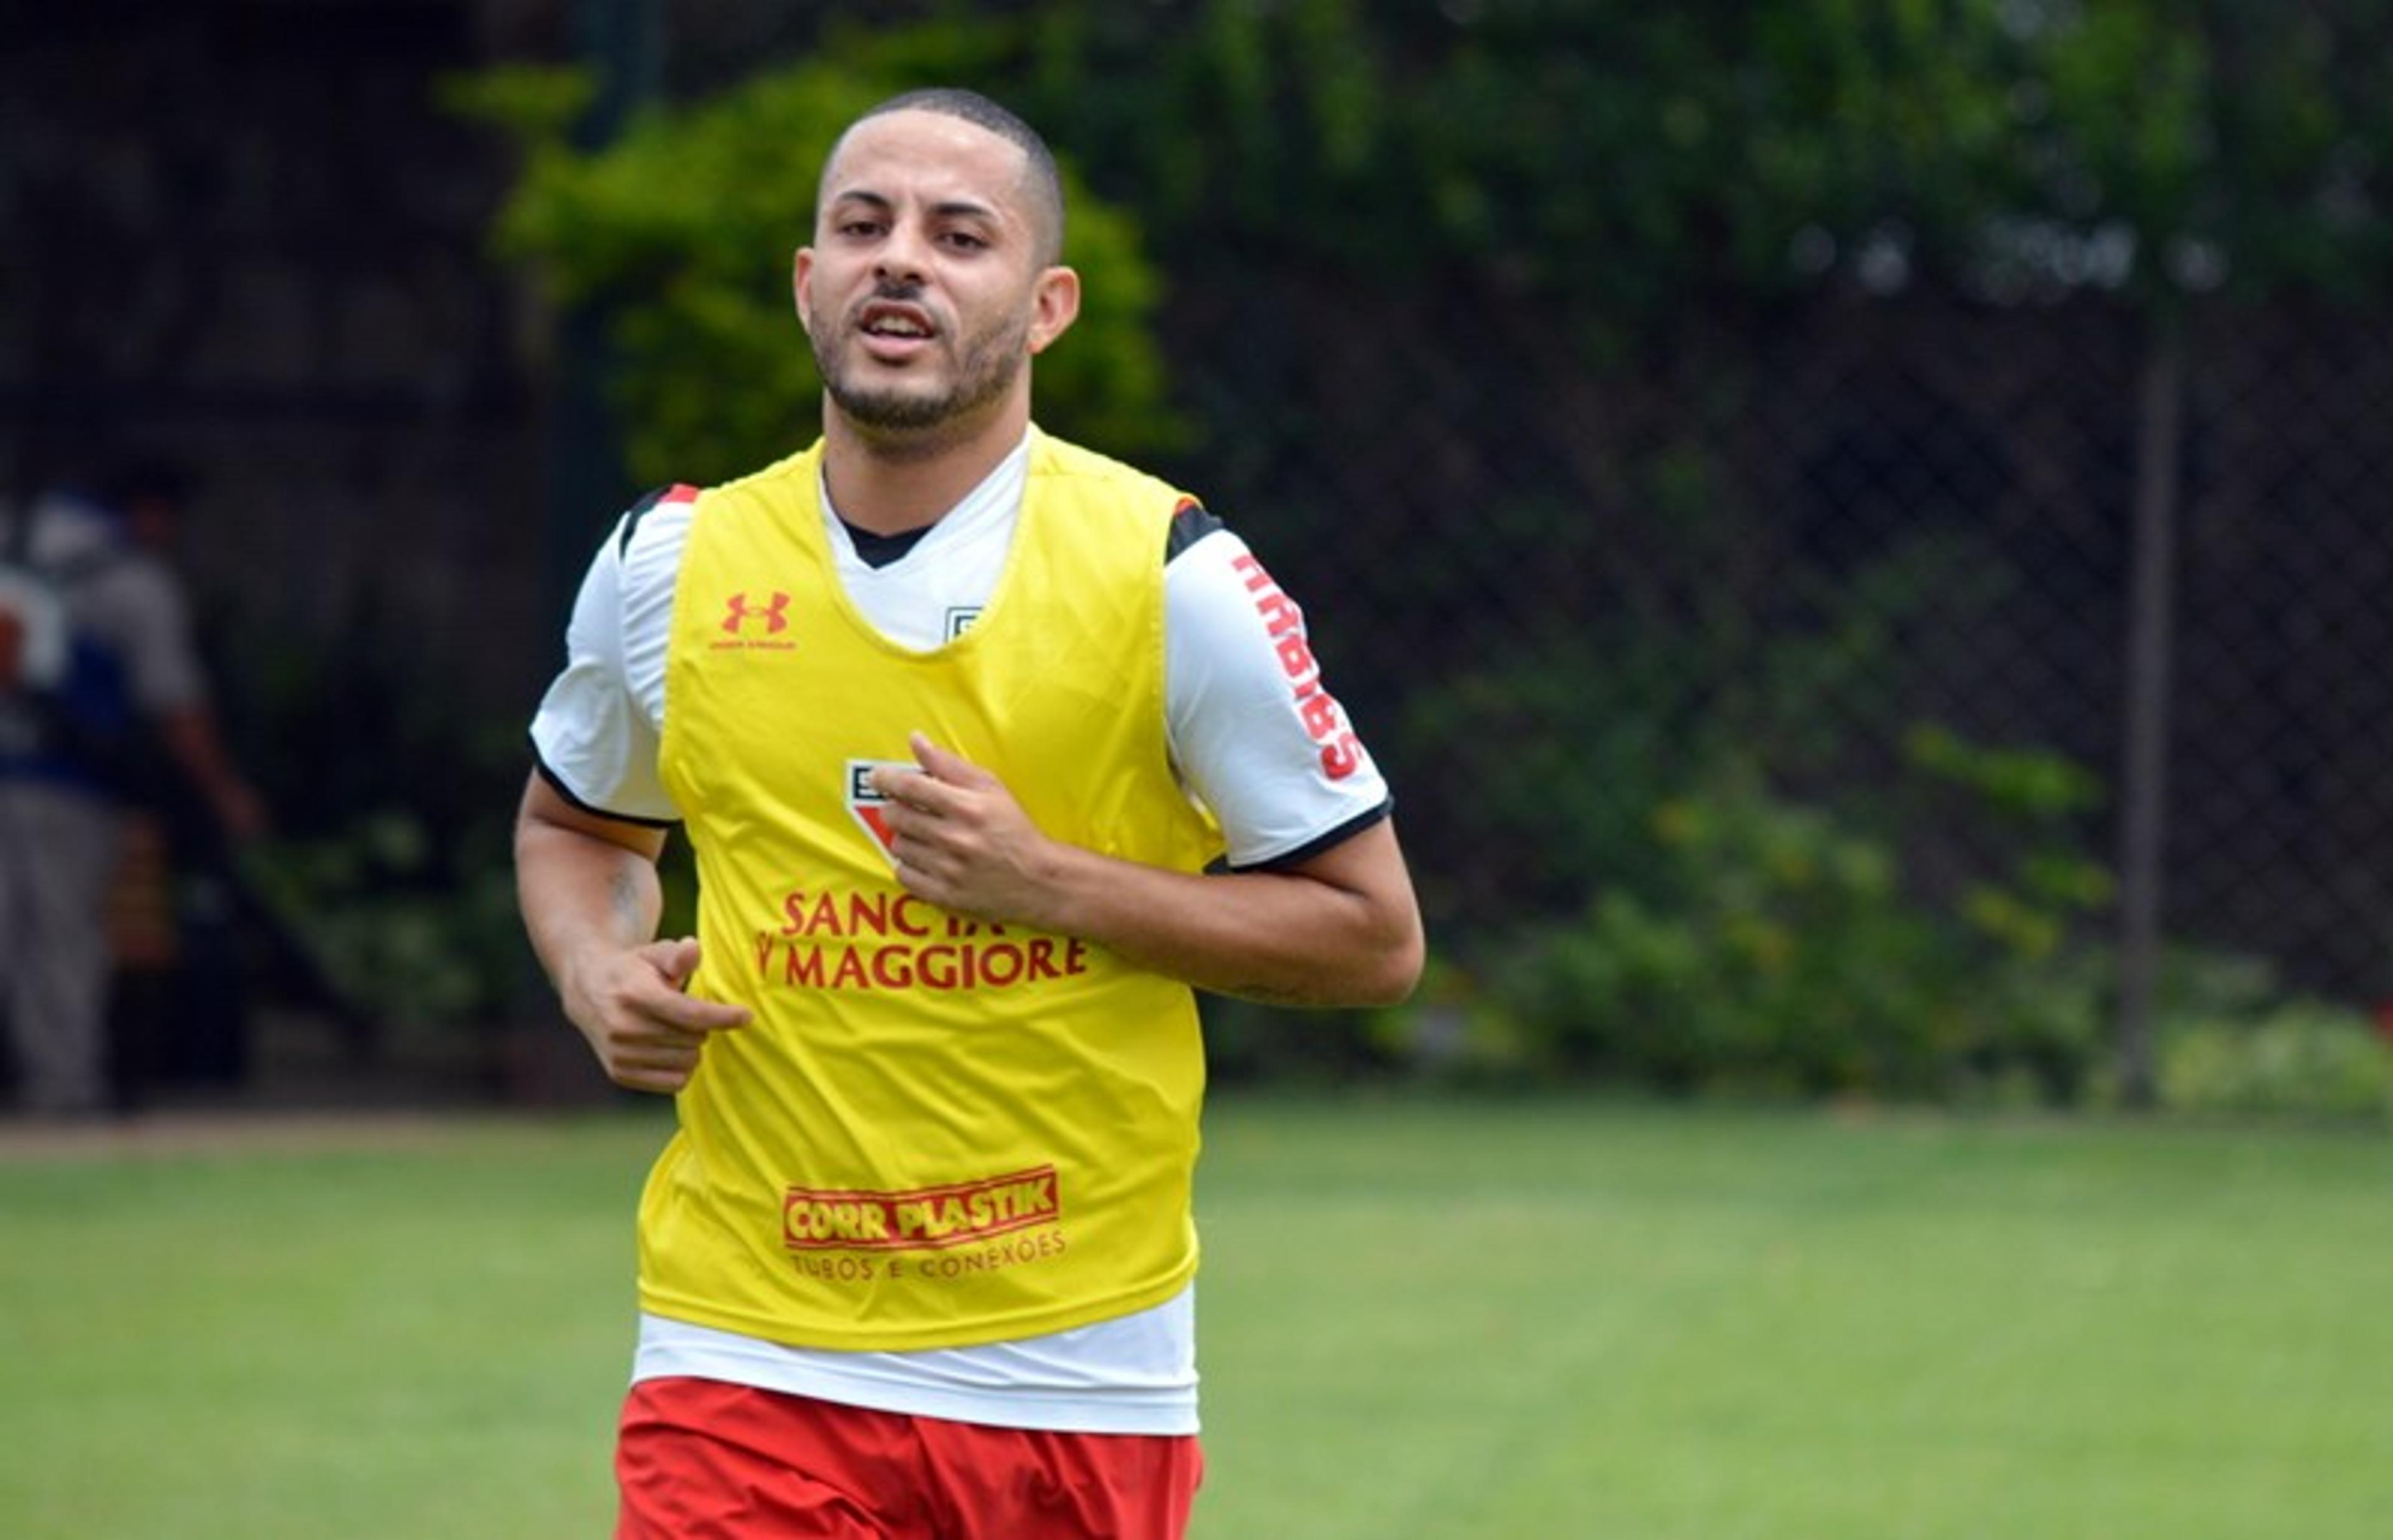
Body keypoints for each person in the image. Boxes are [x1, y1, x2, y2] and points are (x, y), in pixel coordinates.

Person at [514, 87, 1423, 1539]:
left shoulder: (1173, 576)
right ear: (807, 281)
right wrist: (592, 970)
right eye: (861, 226)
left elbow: (1371, 940)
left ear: (1046, 303)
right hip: (745, 1342)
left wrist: (1050, 882)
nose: (902, 261)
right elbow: (579, 829)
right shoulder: (669, 564)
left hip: (1075, 1364)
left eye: (960, 235)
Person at [0, 456, 267, 1116]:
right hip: (67, 782)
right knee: (61, 935)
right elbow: (176, 705)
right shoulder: (132, 581)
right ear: (149, 511)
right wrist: (224, 791)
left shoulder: (12, 537)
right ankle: (63, 1089)